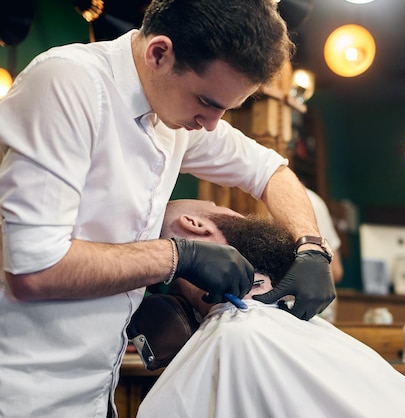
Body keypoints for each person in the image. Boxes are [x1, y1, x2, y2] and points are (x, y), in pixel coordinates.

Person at [0, 1, 334, 417]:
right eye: (208, 101)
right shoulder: (69, 83)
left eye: (226, 108)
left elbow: (270, 171)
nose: (212, 123)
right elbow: (33, 269)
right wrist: (178, 256)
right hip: (19, 389)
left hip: (93, 393)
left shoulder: (172, 113)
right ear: (160, 53)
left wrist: (312, 249)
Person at [135, 199, 405, 418]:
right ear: (194, 224)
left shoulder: (256, 330)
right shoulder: (240, 338)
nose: (234, 210)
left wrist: (313, 247)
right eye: (219, 205)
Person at [306, 187, 343, 322]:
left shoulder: (264, 200)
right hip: (325, 309)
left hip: (296, 312)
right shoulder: (315, 200)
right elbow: (336, 271)